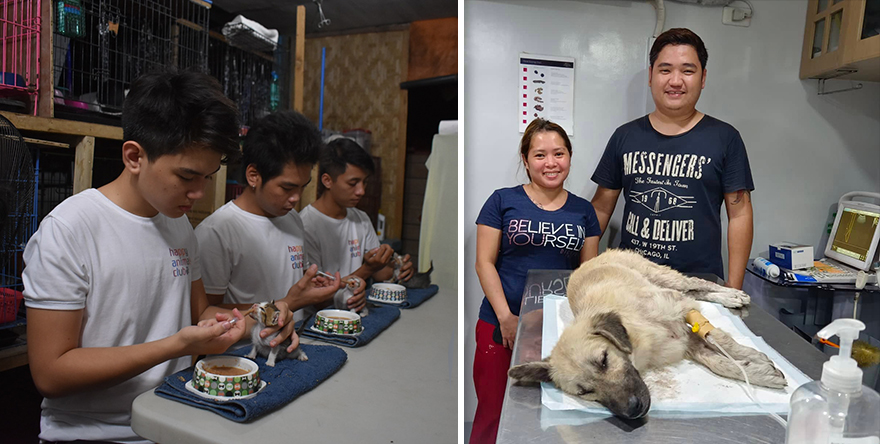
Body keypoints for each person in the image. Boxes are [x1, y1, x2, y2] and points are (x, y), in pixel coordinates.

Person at [20, 70, 295, 443]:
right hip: (96, 434)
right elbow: (51, 374)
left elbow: (202, 315)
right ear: (134, 156)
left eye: (208, 176)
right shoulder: (70, 230)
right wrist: (177, 346)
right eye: (187, 176)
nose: (199, 192)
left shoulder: (177, 223)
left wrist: (264, 315)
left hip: (176, 415)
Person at [590, 27, 754, 289]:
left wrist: (733, 290)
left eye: (687, 71)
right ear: (651, 76)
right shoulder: (625, 136)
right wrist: (583, 270)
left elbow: (740, 214)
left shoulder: (725, 138)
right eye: (665, 70)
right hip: (632, 283)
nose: (675, 81)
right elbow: (600, 209)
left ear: (703, 78)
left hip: (698, 284)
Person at [471, 118, 601, 444]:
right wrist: (506, 318)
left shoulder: (584, 212)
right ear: (526, 161)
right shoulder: (502, 201)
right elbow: (484, 263)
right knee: (493, 412)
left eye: (559, 153)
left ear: (569, 157)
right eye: (540, 155)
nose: (551, 163)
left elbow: (589, 276)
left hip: (559, 332)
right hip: (501, 326)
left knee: (550, 417)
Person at [196, 110, 366, 327]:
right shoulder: (217, 232)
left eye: (302, 187)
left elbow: (290, 279)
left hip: (296, 342)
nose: (296, 198)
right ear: (254, 176)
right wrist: (289, 303)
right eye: (287, 187)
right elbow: (207, 315)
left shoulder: (292, 219)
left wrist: (318, 287)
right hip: (244, 354)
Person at [300, 138, 413, 309]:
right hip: (321, 322)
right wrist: (367, 269)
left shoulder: (360, 218)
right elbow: (318, 299)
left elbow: (381, 274)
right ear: (327, 180)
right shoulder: (307, 225)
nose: (361, 191)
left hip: (357, 313)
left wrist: (397, 269)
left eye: (364, 182)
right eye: (353, 184)